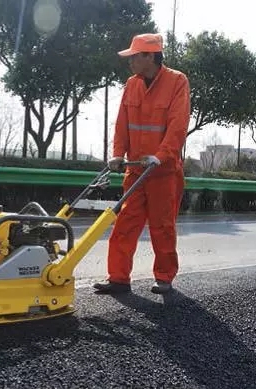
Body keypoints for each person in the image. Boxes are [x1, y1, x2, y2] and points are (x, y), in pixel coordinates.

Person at [93, 33, 190, 295]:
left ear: (150, 56)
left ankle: (164, 277)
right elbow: (122, 123)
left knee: (162, 227)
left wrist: (163, 155)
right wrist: (117, 153)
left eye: (135, 57)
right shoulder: (131, 84)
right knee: (124, 225)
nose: (131, 62)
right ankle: (118, 278)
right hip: (135, 171)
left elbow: (178, 124)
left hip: (163, 172)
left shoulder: (177, 82)